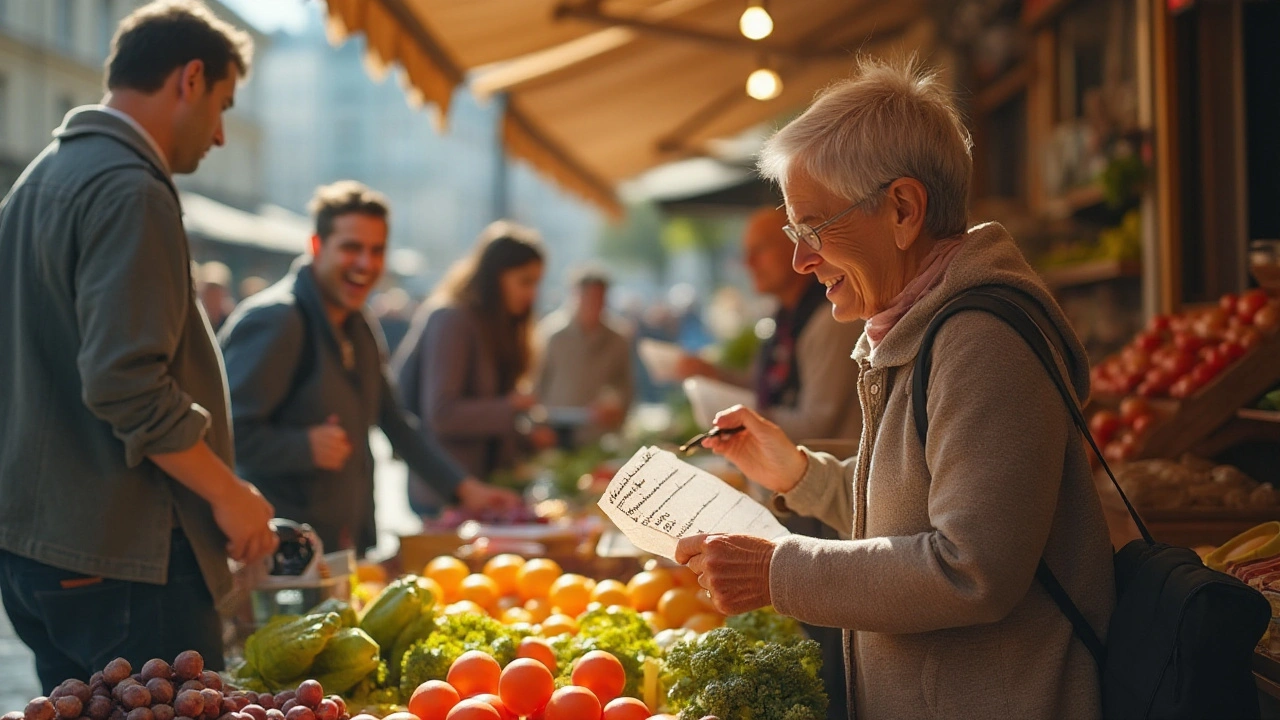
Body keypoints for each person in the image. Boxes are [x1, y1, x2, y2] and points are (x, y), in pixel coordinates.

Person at [676, 58, 1116, 720]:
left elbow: (972, 570)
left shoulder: (978, 341)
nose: (802, 259)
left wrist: (777, 571)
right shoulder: (922, 324)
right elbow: (910, 511)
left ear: (903, 209)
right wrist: (797, 473)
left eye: (813, 227)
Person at [0, 0, 276, 688]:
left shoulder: (37, 181)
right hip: (124, 556)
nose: (219, 135)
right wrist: (230, 494)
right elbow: (126, 383)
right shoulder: (130, 190)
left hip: (42, 550)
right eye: (222, 104)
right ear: (189, 78)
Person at [219, 182, 520, 553]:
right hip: (282, 559)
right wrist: (301, 446)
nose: (366, 263)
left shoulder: (358, 324)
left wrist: (465, 490)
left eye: (377, 251)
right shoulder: (278, 320)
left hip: (343, 549)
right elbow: (223, 435)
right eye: (351, 248)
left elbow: (395, 423)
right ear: (316, 246)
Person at [393, 221, 557, 515]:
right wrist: (510, 406)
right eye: (525, 280)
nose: (532, 293)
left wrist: (526, 436)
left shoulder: (494, 324)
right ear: (496, 276)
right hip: (446, 492)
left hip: (484, 488)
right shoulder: (451, 319)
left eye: (536, 282)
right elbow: (442, 414)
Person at [677, 207, 863, 442]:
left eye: (761, 249)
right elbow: (763, 388)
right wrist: (710, 374)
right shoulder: (782, 318)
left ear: (799, 248)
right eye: (746, 252)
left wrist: (745, 418)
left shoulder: (831, 319)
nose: (749, 263)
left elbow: (816, 426)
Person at [535, 266, 634, 446]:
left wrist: (616, 407)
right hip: (556, 430)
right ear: (575, 296)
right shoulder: (552, 334)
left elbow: (625, 385)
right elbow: (536, 383)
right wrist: (536, 425)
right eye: (588, 297)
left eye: (599, 299)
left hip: (598, 433)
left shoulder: (618, 337)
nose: (594, 305)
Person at [196, 260, 236, 331]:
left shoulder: (233, 320)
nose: (212, 296)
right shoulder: (194, 318)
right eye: (209, 290)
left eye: (217, 290)